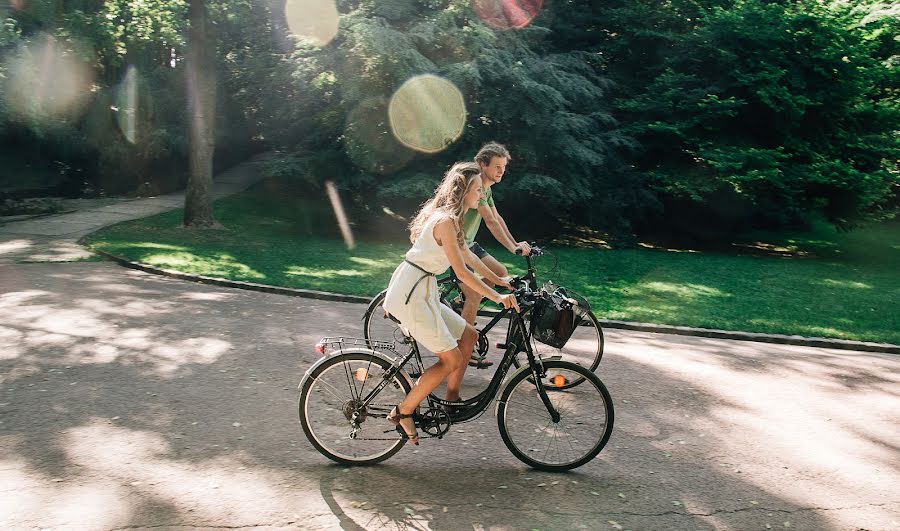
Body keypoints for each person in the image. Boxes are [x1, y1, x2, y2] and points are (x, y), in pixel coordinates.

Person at [383, 161, 519, 444]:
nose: (481, 196)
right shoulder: (446, 221)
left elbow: (469, 257)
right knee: (450, 359)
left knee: (469, 335)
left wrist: (502, 281)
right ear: (464, 191)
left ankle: (451, 399)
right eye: (477, 190)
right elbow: (461, 272)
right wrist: (496, 297)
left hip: (422, 290)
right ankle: (405, 410)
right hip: (411, 294)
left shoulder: (453, 220)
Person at [459, 142, 531, 367]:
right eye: (497, 166)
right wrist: (512, 249)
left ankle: (457, 302)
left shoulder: (486, 189)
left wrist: (515, 243)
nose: (501, 171)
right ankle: (464, 347)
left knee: (501, 272)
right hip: (457, 245)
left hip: (471, 244)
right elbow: (489, 220)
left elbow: (497, 217)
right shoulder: (474, 186)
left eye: (503, 167)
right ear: (482, 164)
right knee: (475, 295)